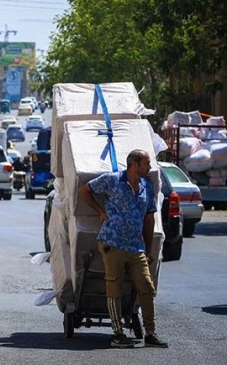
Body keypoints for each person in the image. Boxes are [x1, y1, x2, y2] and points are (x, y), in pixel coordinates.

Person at [77, 149, 168, 349]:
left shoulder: (146, 186)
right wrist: (100, 211)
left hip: (136, 247)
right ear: (134, 164)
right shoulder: (112, 180)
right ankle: (117, 333)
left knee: (146, 286)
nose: (149, 167)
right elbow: (84, 190)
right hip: (113, 243)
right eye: (146, 163)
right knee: (114, 287)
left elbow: (149, 218)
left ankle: (150, 333)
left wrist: (148, 248)